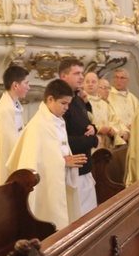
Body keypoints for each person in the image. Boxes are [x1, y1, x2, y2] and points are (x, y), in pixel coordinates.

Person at [5, 79, 88, 229]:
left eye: (68, 104)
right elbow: (31, 165)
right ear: (50, 99)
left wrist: (66, 161)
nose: (67, 108)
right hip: (45, 189)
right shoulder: (38, 126)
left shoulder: (57, 121)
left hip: (60, 181)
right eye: (63, 103)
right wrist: (63, 162)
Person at [58, 59, 102, 215]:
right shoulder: (62, 103)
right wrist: (94, 140)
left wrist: (93, 129)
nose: (81, 77)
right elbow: (64, 140)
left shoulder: (77, 98)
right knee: (79, 219)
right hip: (73, 173)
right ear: (64, 76)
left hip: (85, 169)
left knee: (89, 217)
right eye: (76, 73)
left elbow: (85, 124)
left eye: (81, 73)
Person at [82, 71, 126, 150]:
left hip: (107, 143)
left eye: (93, 82)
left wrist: (112, 130)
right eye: (87, 82)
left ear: (97, 84)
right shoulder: (82, 102)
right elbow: (82, 123)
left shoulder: (104, 104)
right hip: (92, 144)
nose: (90, 84)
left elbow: (115, 120)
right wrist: (99, 129)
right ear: (83, 84)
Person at [107, 68, 139, 139]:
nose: (119, 80)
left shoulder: (133, 99)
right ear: (113, 79)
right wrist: (123, 129)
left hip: (135, 136)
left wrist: (134, 126)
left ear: (127, 80)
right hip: (118, 136)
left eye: (122, 78)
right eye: (116, 77)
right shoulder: (108, 96)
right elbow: (108, 118)